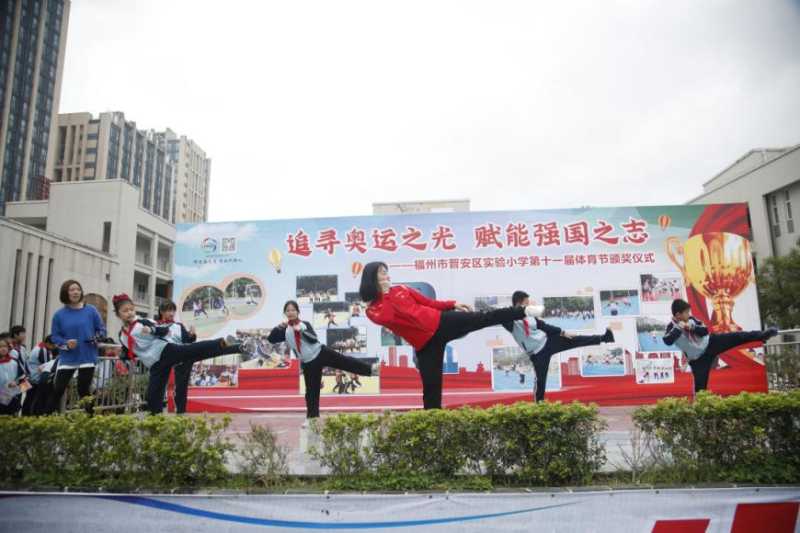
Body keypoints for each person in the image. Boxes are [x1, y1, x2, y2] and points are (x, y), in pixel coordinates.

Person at [360, 262, 540, 409]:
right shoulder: (372, 310)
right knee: (431, 387)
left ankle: (524, 310)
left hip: (441, 322)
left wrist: (452, 304)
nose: (387, 275)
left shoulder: (401, 289)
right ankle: (433, 425)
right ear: (372, 278)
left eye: (386, 271)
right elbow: (388, 317)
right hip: (425, 345)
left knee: (484, 318)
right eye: (382, 272)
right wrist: (386, 294)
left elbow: (429, 303)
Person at [113, 293, 242, 414]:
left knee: (193, 350)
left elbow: (164, 331)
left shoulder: (143, 322)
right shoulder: (122, 335)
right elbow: (131, 351)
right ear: (118, 314)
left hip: (165, 351)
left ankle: (222, 343)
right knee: (153, 395)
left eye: (131, 309)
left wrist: (151, 330)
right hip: (154, 364)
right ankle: (156, 420)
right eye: (125, 311)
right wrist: (123, 356)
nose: (129, 313)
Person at [268, 300, 377, 420]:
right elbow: (271, 339)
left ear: (298, 312)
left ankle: (370, 369)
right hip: (308, 363)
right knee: (311, 393)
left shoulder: (305, 324)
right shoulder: (284, 331)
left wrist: (302, 331)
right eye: (288, 310)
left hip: (321, 352)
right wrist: (279, 327)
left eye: (293, 310)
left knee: (345, 361)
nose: (291, 312)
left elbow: (314, 339)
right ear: (285, 313)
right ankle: (312, 419)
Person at [503, 291, 614, 402]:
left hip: (548, 341)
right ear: (519, 303)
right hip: (537, 354)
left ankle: (604, 338)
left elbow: (544, 326)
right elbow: (500, 317)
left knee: (576, 339)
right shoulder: (510, 321)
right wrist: (509, 311)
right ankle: (539, 405)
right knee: (540, 381)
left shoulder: (530, 316)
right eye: (526, 303)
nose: (528, 306)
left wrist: (562, 332)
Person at [663, 299, 778, 394]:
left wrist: (692, 327)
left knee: (737, 336)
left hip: (711, 343)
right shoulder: (670, 328)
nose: (689, 314)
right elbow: (667, 340)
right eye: (686, 312)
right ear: (678, 315)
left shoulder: (692, 320)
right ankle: (701, 411)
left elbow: (705, 331)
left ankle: (762, 335)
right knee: (700, 390)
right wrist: (679, 327)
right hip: (698, 360)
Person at [47, 280, 106, 414]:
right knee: (58, 389)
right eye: (72, 290)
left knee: (83, 389)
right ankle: (46, 418)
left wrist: (96, 338)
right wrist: (66, 343)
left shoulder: (91, 310)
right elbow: (55, 337)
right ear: (65, 293)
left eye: (78, 289)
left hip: (87, 356)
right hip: (67, 358)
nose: (75, 292)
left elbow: (102, 330)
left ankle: (91, 418)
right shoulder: (59, 315)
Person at [156, 300, 197, 414]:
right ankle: (156, 412)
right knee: (159, 385)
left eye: (173, 310)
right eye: (169, 310)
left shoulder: (178, 326)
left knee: (181, 387)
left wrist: (192, 335)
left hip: (181, 358)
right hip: (163, 359)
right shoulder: (155, 325)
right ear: (161, 311)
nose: (172, 313)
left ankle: (181, 411)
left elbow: (187, 340)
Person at [21, 335, 58, 416]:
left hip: (29, 377)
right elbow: (46, 366)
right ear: (48, 343)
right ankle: (28, 416)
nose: (54, 347)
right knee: (32, 400)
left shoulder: (39, 346)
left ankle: (25, 415)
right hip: (34, 379)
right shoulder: (43, 350)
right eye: (53, 345)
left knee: (28, 398)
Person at [0, 337, 28, 415]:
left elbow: (25, 383)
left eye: (5, 346)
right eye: (0, 347)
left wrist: (16, 385)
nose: (3, 349)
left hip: (12, 398)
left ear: (9, 348)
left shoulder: (15, 362)